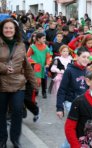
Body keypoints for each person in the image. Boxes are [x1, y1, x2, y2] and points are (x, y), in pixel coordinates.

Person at [0, 18, 38, 148]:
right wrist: (4, 68)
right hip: (1, 84)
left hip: (18, 83)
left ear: (15, 30)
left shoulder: (21, 45)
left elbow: (27, 65)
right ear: (2, 29)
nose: (8, 30)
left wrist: (34, 83)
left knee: (17, 111)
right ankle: (2, 140)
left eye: (11, 28)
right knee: (1, 113)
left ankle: (15, 139)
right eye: (6, 28)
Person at [56, 46, 90, 148]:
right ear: (77, 57)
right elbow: (62, 89)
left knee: (78, 128)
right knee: (77, 127)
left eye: (88, 57)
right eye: (83, 57)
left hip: (83, 103)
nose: (86, 60)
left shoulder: (87, 71)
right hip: (71, 102)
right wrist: (59, 108)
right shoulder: (69, 71)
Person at [27, 32, 51, 98]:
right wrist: (33, 62)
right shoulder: (32, 47)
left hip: (43, 67)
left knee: (44, 80)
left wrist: (48, 64)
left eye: (45, 38)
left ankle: (44, 92)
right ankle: (36, 91)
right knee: (36, 80)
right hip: (36, 67)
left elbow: (48, 57)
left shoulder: (46, 47)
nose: (44, 40)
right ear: (38, 39)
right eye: (43, 38)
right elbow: (27, 57)